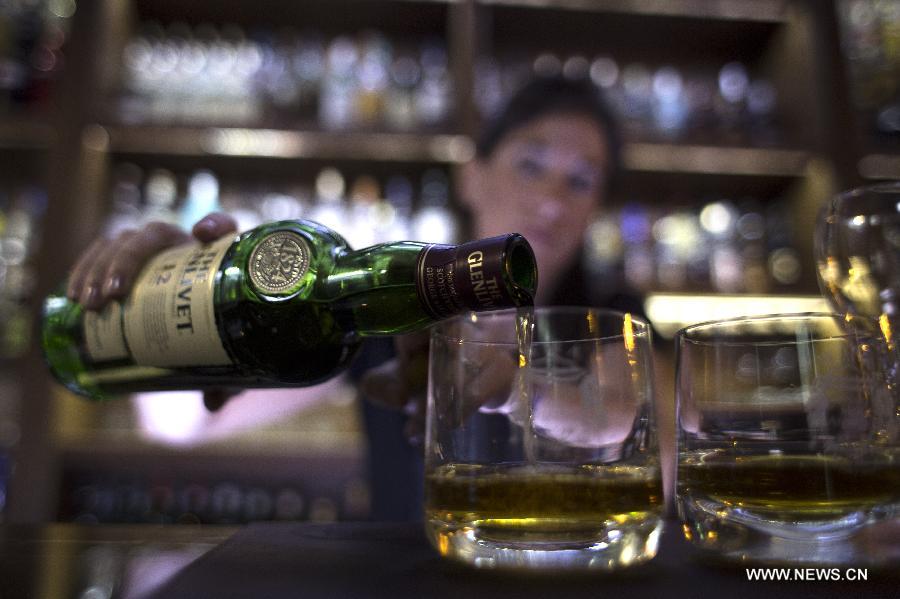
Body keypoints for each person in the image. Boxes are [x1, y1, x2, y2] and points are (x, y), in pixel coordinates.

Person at [64, 74, 653, 521]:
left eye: (581, 180)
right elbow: (176, 425)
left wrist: (513, 385)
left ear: (595, 206)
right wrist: (177, 289)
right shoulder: (389, 314)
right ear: (472, 176)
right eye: (532, 163)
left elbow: (639, 434)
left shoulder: (616, 316)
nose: (553, 196)